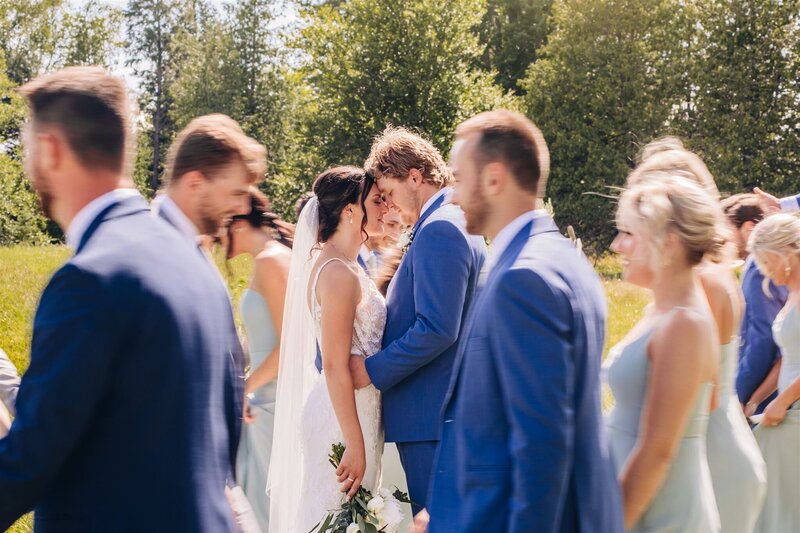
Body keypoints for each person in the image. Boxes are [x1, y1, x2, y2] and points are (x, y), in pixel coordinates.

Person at [0, 66, 238, 531]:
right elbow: (224, 437)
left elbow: (29, 461)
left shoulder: (88, 279)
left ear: (49, 151)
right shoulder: (196, 263)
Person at [425, 110, 622, 532]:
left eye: (459, 179)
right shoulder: (563, 257)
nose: (453, 197)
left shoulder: (524, 279)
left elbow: (542, 446)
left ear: (494, 178)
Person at [349, 127, 487, 515]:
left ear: (414, 176)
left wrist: (371, 371)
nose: (389, 206)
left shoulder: (440, 227)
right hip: (438, 414)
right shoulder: (450, 221)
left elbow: (437, 328)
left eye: (389, 193)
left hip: (434, 418)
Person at [632, 149, 767, 532]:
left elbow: (698, 394)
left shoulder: (703, 283)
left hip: (712, 453)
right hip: (715, 443)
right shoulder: (707, 274)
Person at [268, 167, 389, 533]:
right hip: (342, 419)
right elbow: (336, 364)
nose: (385, 208)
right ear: (351, 210)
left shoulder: (344, 265)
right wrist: (354, 443)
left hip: (358, 411)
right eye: (376, 201)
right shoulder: (337, 272)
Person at [605, 173, 724, 532]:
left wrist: (611, 523)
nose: (616, 246)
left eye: (628, 233)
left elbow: (658, 451)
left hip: (661, 511)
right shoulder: (661, 312)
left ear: (667, 243)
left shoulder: (684, 324)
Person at [226, 187, 292, 532]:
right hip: (265, 396)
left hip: (274, 402)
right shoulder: (267, 259)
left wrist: (244, 387)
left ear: (235, 223)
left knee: (266, 512)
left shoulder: (271, 260)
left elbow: (289, 346)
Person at [747, 213, 800, 533]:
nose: (766, 272)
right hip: (785, 408)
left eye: (767, 263)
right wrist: (759, 397)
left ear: (785, 253)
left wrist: (783, 401)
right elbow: (787, 356)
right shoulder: (791, 293)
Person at [721, 194, 789, 414]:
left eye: (727, 231)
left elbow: (762, 339)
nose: (723, 240)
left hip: (766, 397)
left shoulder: (758, 269)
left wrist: (741, 393)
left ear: (748, 228)